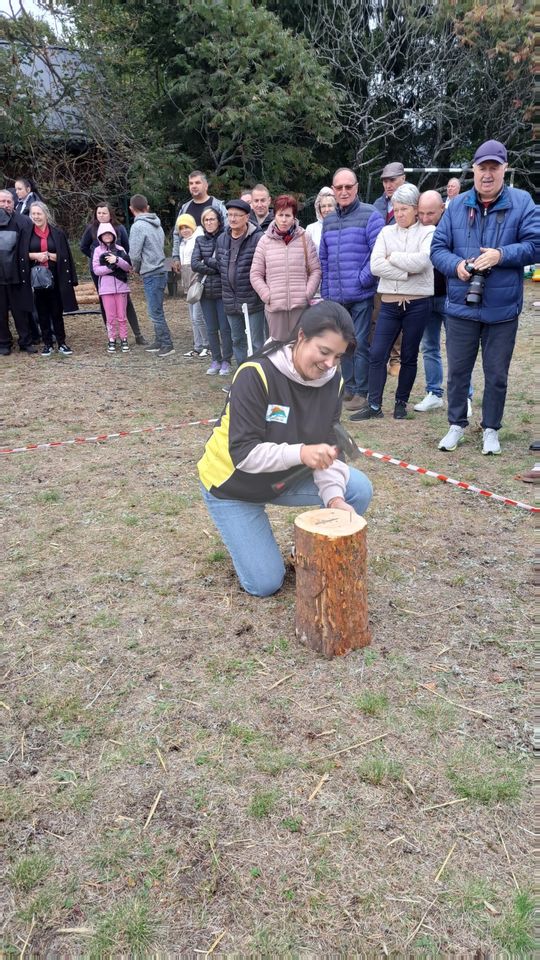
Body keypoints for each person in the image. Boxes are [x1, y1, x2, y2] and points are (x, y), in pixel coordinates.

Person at [198, 300, 373, 597]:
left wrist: (333, 500)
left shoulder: (333, 381)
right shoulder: (256, 374)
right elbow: (244, 454)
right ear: (301, 336)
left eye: (338, 356)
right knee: (266, 584)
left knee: (356, 489)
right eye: (324, 351)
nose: (330, 364)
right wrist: (302, 453)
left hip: (282, 479)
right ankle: (249, 537)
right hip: (232, 485)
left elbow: (329, 445)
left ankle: (307, 550)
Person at [431, 139, 538, 455]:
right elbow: (437, 250)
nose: (487, 174)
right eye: (482, 168)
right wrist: (458, 266)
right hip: (461, 306)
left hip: (502, 309)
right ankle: (456, 425)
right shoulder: (457, 206)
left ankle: (491, 428)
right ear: (474, 170)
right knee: (458, 372)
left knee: (496, 375)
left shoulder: (522, 202)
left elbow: (536, 244)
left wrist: (500, 255)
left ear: (504, 169)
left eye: (494, 167)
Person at [351, 184, 435, 421]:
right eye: (396, 209)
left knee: (409, 354)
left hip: (417, 303)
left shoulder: (427, 232)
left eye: (404, 209)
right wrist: (405, 273)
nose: (399, 214)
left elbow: (422, 261)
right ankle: (374, 405)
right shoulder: (386, 232)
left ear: (415, 209)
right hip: (389, 302)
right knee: (377, 353)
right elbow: (376, 265)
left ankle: (401, 402)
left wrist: (394, 258)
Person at [319, 167, 384, 413]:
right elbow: (323, 258)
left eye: (348, 187)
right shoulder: (330, 220)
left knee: (359, 343)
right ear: (333, 190)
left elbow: (377, 255)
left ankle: (362, 391)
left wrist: (362, 280)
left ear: (356, 187)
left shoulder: (371, 215)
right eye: (339, 187)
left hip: (360, 295)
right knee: (341, 343)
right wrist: (326, 290)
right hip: (336, 296)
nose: (344, 191)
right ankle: (348, 386)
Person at [249, 194, 321, 341]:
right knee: (277, 351)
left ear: (294, 217)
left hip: (300, 307)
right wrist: (267, 295)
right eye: (280, 215)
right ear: (274, 215)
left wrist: (307, 293)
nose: (283, 219)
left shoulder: (304, 238)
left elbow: (315, 270)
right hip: (275, 308)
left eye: (287, 215)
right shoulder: (264, 241)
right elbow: (255, 274)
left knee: (300, 350)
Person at [80, 203, 147, 344]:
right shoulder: (91, 228)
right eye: (99, 213)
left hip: (119, 270)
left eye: (104, 213)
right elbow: (83, 247)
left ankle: (138, 334)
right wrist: (95, 257)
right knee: (105, 302)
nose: (101, 215)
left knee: (126, 301)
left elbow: (127, 249)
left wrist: (120, 262)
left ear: (110, 214)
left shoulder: (119, 228)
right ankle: (112, 337)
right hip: (99, 273)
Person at [213, 198, 264, 365]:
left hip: (252, 299)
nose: (232, 219)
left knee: (256, 343)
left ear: (247, 217)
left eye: (237, 215)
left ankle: (258, 380)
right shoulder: (222, 239)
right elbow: (220, 266)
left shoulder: (258, 238)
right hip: (230, 299)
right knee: (237, 340)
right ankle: (242, 378)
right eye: (229, 215)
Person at [25, 201, 78, 357]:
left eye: (39, 213)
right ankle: (47, 343)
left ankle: (61, 342)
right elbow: (22, 254)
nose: (36, 216)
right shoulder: (27, 233)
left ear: (46, 214)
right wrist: (34, 255)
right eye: (33, 214)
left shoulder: (57, 233)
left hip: (55, 276)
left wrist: (51, 256)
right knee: (41, 311)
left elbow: (65, 255)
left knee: (56, 311)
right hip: (37, 278)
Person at [129, 194, 175, 358]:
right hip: (162, 268)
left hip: (151, 271)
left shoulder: (138, 226)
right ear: (146, 207)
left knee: (154, 311)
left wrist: (134, 267)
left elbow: (134, 253)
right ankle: (158, 340)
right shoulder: (157, 224)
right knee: (157, 308)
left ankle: (167, 343)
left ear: (131, 209)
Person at [191, 207, 233, 376]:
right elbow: (195, 263)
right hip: (206, 291)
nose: (209, 222)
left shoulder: (226, 238)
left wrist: (207, 260)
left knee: (225, 328)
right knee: (211, 328)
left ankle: (227, 360)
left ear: (219, 220)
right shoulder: (200, 240)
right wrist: (213, 265)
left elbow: (225, 264)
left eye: (212, 219)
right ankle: (215, 359)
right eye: (206, 220)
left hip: (223, 290)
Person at [0, 189, 36, 356]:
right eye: (2, 201)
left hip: (17, 275)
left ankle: (25, 341)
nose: (6, 205)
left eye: (9, 201)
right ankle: (3, 343)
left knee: (21, 311)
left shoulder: (24, 222)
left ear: (14, 203)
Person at [171, 213, 209, 359]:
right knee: (193, 318)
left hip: (197, 282)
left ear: (193, 227)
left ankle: (207, 345)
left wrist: (198, 279)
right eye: (181, 228)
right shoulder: (183, 242)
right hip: (188, 284)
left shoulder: (198, 240)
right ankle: (197, 346)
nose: (185, 230)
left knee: (198, 317)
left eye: (187, 227)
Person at [92, 223, 132, 353]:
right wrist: (109, 268)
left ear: (114, 235)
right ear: (100, 236)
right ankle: (111, 339)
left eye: (109, 234)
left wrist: (117, 260)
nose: (107, 236)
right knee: (110, 317)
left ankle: (124, 338)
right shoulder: (98, 251)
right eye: (104, 234)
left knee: (122, 316)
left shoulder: (120, 249)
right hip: (106, 289)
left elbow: (127, 267)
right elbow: (96, 270)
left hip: (121, 288)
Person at [305, 187, 337, 253]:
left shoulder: (343, 226)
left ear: (336, 207)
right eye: (323, 206)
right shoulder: (311, 229)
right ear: (319, 208)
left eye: (330, 205)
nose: (327, 210)